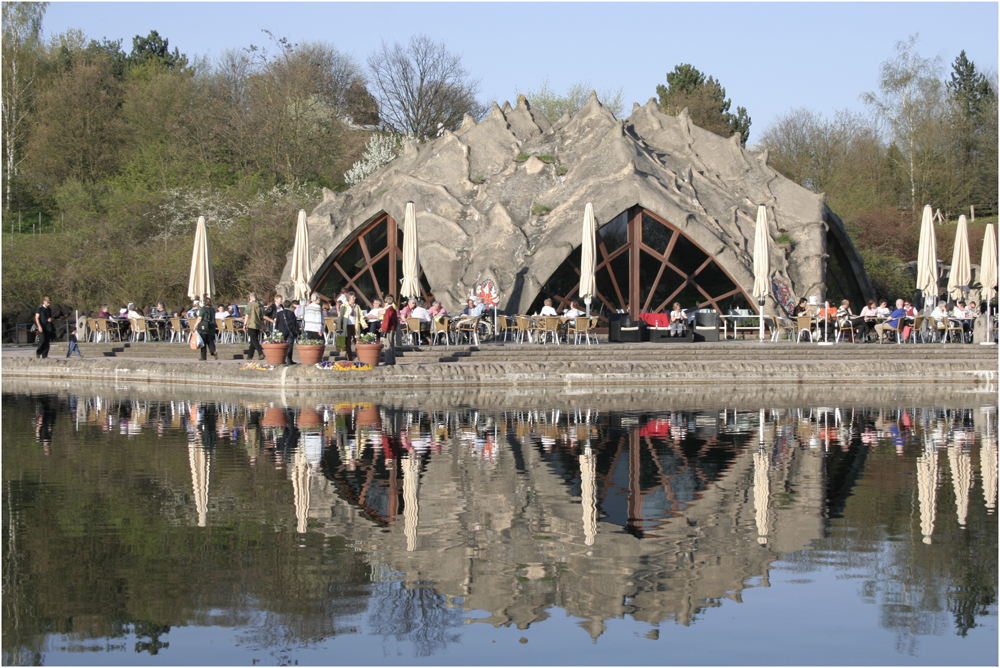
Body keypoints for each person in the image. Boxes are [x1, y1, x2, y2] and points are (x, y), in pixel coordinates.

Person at [337, 291, 366, 362]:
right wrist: (339, 328)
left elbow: (361, 316)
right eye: (353, 297)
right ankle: (349, 357)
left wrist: (364, 324)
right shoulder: (344, 306)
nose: (355, 298)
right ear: (349, 298)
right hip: (347, 325)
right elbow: (340, 317)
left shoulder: (357, 306)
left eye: (354, 297)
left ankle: (359, 356)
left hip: (355, 325)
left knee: (357, 341)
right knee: (348, 342)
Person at [274, 297, 301, 364]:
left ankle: (280, 359)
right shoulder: (291, 313)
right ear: (290, 306)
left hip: (281, 331)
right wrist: (296, 332)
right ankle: (289, 360)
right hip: (289, 332)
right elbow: (294, 323)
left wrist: (276, 331)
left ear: (283, 305)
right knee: (290, 346)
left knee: (281, 346)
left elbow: (277, 323)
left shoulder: (279, 313)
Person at [243, 292, 265, 361]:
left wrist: (244, 324)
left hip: (251, 324)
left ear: (250, 297)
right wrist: (263, 325)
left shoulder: (249, 305)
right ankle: (250, 356)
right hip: (258, 324)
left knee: (254, 340)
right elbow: (263, 316)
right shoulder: (260, 305)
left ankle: (260, 352)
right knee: (253, 340)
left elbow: (247, 315)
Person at [381, 295, 399, 365]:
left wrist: (383, 329)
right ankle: (392, 360)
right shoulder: (393, 310)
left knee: (387, 345)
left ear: (386, 302)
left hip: (388, 329)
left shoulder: (388, 310)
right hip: (393, 328)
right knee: (392, 344)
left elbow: (386, 320)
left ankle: (388, 361)